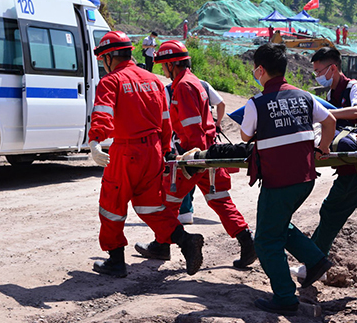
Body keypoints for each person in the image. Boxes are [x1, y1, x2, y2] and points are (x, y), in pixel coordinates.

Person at [88, 31, 204, 277]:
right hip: (152, 151)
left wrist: (95, 141)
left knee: (112, 205)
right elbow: (165, 120)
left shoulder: (111, 81)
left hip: (126, 151)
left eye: (103, 59)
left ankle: (116, 262)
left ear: (109, 57)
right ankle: (186, 241)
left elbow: (103, 113)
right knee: (150, 206)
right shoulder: (154, 81)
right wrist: (165, 151)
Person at [136, 40, 256, 270]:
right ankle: (246, 241)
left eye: (164, 66)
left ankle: (164, 245)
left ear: (172, 64)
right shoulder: (193, 82)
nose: (163, 70)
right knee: (220, 200)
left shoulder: (183, 86)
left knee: (167, 200)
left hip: (194, 155)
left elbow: (192, 128)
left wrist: (190, 160)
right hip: (206, 155)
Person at [240, 42, 336, 316]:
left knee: (266, 240)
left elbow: (246, 137)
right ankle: (315, 260)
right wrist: (323, 149)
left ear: (260, 70)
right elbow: (329, 122)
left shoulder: (256, 103)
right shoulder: (304, 96)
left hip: (279, 181)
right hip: (305, 179)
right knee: (278, 223)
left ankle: (285, 297)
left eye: (254, 70)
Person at [291, 47, 357, 274]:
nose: (317, 76)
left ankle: (314, 263)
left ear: (333, 68)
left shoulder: (355, 88)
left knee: (331, 212)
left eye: (318, 71)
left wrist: (329, 115)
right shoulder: (330, 95)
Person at [176, 79, 227, 225]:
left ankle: (185, 210)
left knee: (185, 172)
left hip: (185, 139)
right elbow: (221, 104)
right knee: (204, 173)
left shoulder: (174, 88)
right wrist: (218, 124)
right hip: (208, 139)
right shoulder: (203, 84)